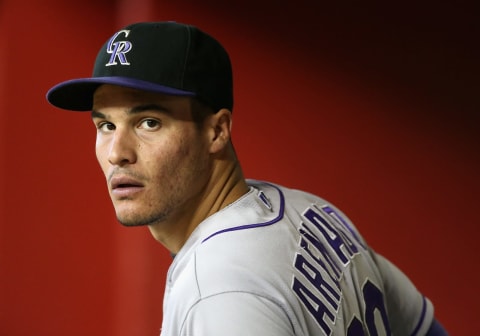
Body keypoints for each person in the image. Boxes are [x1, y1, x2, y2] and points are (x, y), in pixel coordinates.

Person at [46, 21, 448, 336]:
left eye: (149, 122)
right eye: (105, 125)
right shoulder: (311, 210)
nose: (117, 152)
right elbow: (424, 328)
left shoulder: (221, 294)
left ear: (217, 131)